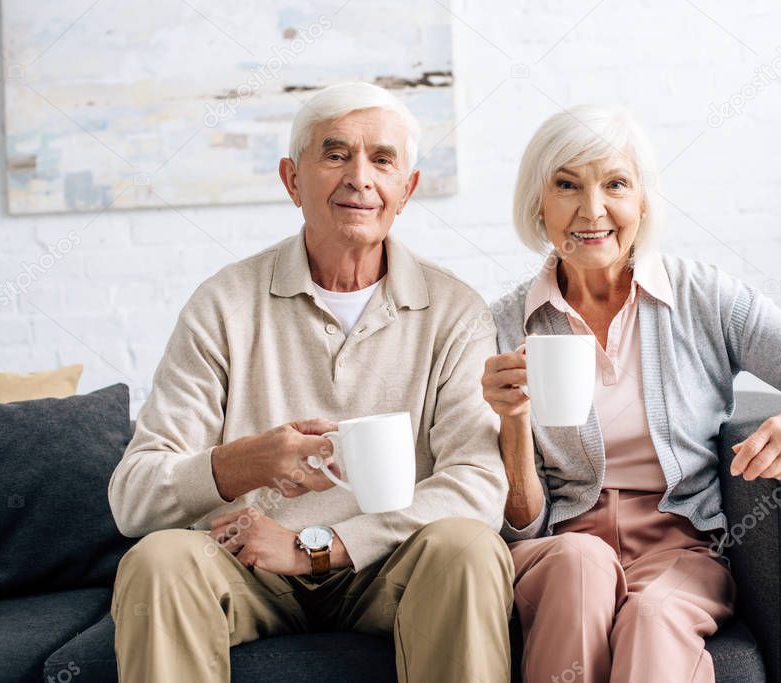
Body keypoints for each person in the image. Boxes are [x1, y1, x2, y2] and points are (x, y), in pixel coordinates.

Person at [481, 105, 781, 682]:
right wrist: (512, 421)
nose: (592, 210)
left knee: (653, 617)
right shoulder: (503, 326)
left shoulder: (704, 298)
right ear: (538, 202)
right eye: (566, 186)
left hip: (681, 553)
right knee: (582, 565)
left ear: (644, 201)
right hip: (561, 552)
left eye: (615, 184)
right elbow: (523, 527)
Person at [108, 82, 513, 683]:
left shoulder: (455, 311)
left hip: (388, 563)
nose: (359, 178)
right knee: (158, 559)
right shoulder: (222, 303)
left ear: (408, 188)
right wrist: (240, 465)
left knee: (470, 548)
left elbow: (477, 487)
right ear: (291, 179)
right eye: (334, 154)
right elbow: (132, 496)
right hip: (245, 564)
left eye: (382, 159)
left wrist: (320, 545)